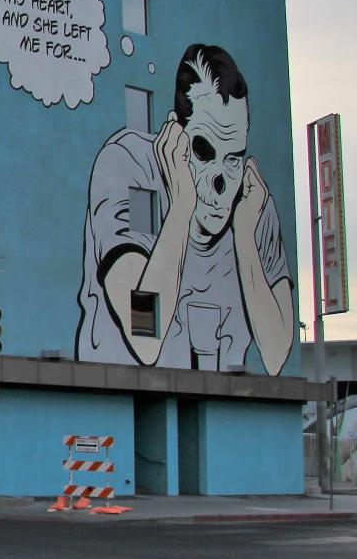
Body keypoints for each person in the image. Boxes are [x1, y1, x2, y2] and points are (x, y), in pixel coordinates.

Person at [77, 43, 294, 374]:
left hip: (222, 401)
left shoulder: (252, 203)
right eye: (204, 151)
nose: (220, 182)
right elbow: (144, 334)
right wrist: (181, 206)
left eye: (233, 158)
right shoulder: (135, 172)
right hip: (120, 398)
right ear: (176, 138)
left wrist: (245, 238)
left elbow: (277, 355)